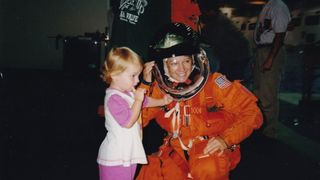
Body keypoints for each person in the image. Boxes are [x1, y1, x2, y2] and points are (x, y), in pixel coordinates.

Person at [136, 23, 263, 180]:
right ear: (163, 65)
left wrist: (225, 140)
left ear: (195, 60)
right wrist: (145, 86)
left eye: (186, 61)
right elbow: (136, 121)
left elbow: (252, 113)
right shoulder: (157, 89)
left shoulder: (214, 84)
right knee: (151, 173)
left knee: (208, 166)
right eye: (174, 63)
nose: (182, 69)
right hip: (177, 151)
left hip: (209, 149)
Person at [96, 47, 172, 180]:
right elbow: (128, 122)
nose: (137, 80)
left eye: (138, 75)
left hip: (127, 154)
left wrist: (162, 101)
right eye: (133, 76)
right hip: (116, 158)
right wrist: (138, 99)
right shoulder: (114, 98)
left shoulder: (127, 93)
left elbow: (145, 101)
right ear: (114, 75)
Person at [253, 0, 291, 138]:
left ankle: (269, 132)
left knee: (268, 94)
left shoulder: (278, 6)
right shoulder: (268, 6)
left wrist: (270, 59)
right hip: (262, 50)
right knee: (258, 91)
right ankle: (260, 126)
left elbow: (280, 35)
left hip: (271, 50)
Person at [196, 0, 252, 81]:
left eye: (205, 12)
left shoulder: (219, 22)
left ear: (211, 10)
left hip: (237, 57)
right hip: (234, 56)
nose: (204, 14)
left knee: (228, 81)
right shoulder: (217, 20)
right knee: (225, 79)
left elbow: (208, 39)